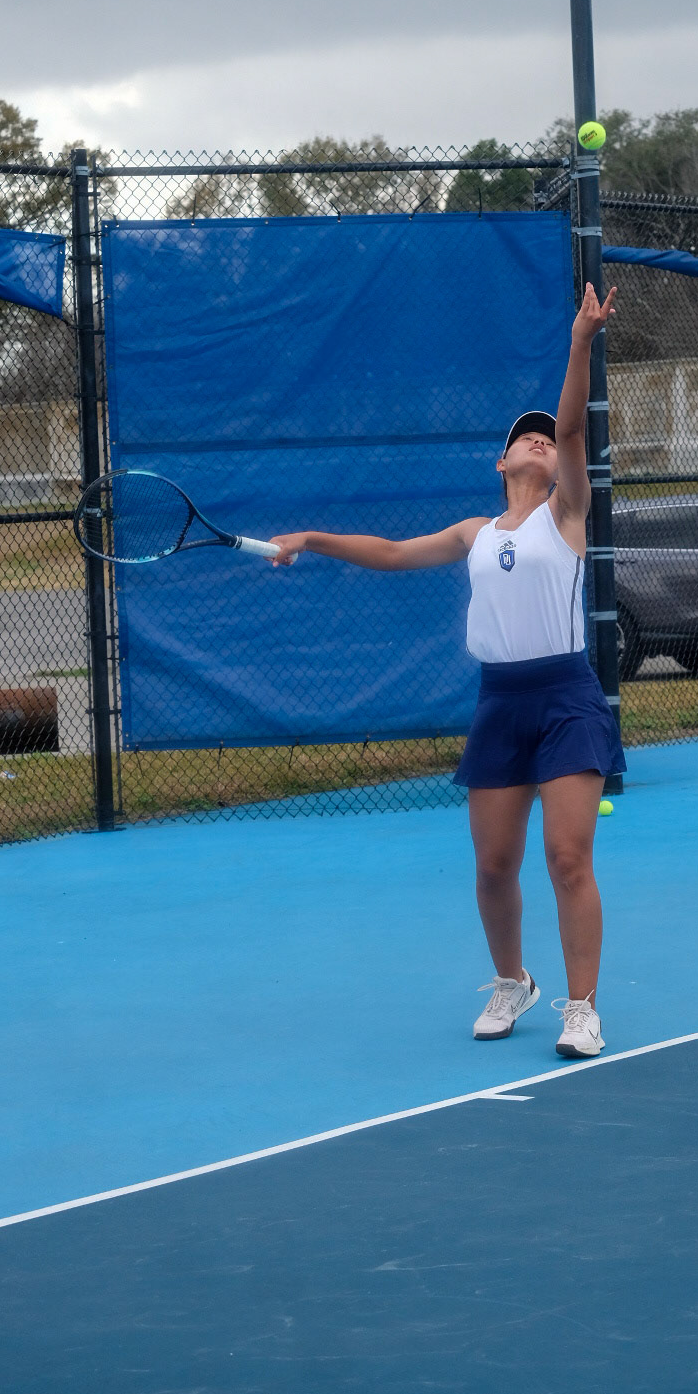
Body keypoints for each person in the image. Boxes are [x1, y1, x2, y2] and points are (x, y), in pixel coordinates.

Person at [269, 282, 625, 1059]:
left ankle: (581, 1008)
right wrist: (312, 538)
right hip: (501, 703)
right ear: (501, 461)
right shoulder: (474, 532)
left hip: (567, 697)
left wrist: (580, 342)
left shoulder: (567, 512)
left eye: (545, 439)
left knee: (568, 858)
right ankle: (512, 981)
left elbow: (570, 425)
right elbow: (394, 553)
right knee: (494, 867)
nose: (540, 441)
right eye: (524, 438)